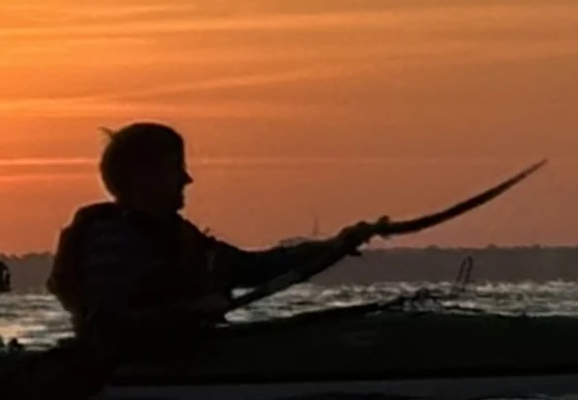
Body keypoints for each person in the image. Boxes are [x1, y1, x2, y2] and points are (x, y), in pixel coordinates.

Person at [49, 122, 375, 350]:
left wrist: (337, 244)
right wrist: (191, 312)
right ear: (142, 178)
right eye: (175, 167)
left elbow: (254, 268)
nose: (187, 179)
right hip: (135, 371)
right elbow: (108, 326)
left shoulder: (180, 238)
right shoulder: (112, 243)